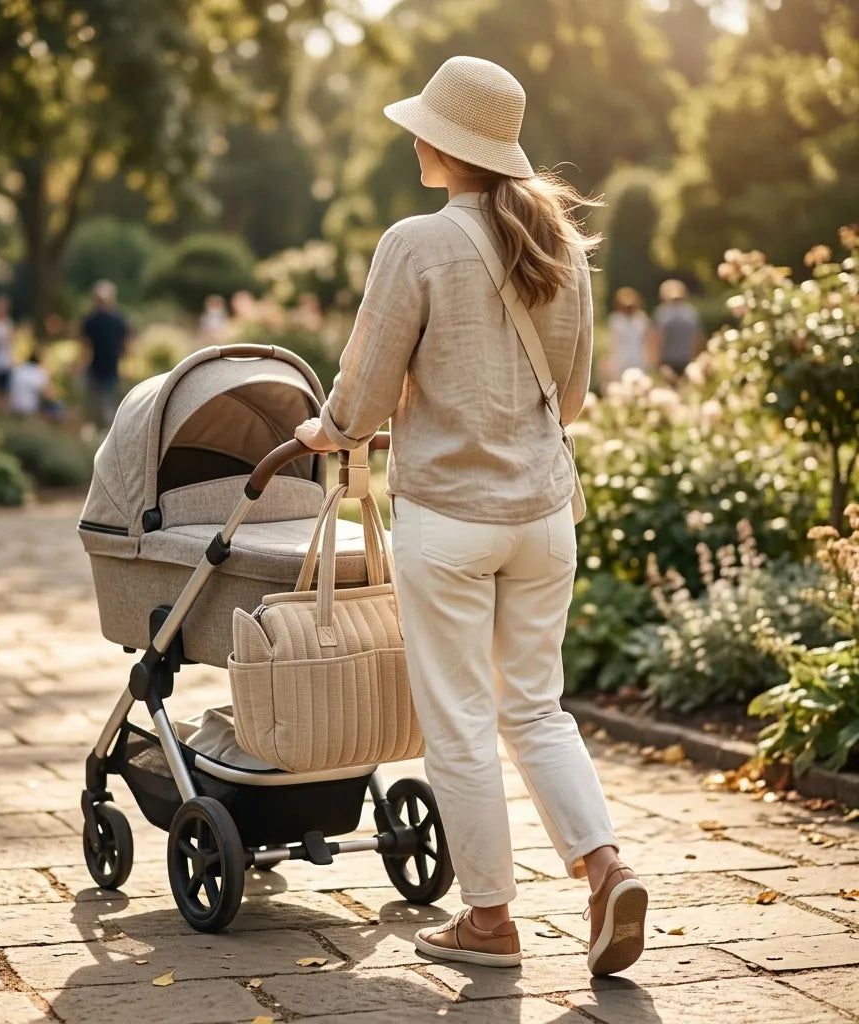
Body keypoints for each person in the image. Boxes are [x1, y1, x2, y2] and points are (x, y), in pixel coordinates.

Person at [294, 56, 647, 976]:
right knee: (536, 707)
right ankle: (604, 868)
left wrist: (322, 429)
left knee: (457, 719)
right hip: (542, 513)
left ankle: (489, 922)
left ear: (444, 144)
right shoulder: (561, 247)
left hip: (449, 519)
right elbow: (568, 401)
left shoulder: (415, 244)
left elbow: (361, 399)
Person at [81, 280, 129, 427]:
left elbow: (84, 348)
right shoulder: (119, 320)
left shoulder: (90, 320)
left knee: (95, 405)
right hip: (110, 367)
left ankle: (97, 432)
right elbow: (126, 348)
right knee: (107, 405)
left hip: (96, 367)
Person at [650, 278, 703, 378]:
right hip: (687, 359)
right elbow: (698, 338)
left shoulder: (662, 313)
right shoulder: (691, 312)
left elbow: (656, 338)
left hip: (667, 361)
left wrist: (655, 363)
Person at [605, 287, 651, 381]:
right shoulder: (615, 320)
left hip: (639, 359)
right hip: (621, 360)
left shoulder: (642, 319)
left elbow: (647, 341)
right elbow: (612, 343)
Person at [8, 348, 63, 421]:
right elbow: (48, 394)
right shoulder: (38, 371)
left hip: (14, 406)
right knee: (57, 405)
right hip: (28, 408)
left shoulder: (19, 369)